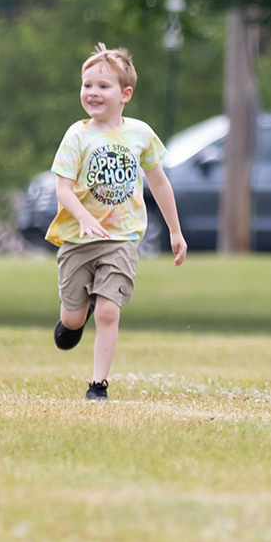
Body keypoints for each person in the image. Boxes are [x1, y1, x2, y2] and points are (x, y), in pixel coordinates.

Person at [47, 44, 187, 401]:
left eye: (102, 86)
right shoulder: (77, 136)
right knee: (76, 319)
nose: (92, 92)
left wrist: (174, 230)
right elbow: (62, 189)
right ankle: (72, 321)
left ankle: (98, 385)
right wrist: (82, 218)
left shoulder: (140, 134)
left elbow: (159, 182)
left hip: (121, 239)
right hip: (78, 240)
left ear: (125, 94)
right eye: (87, 85)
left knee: (108, 311)